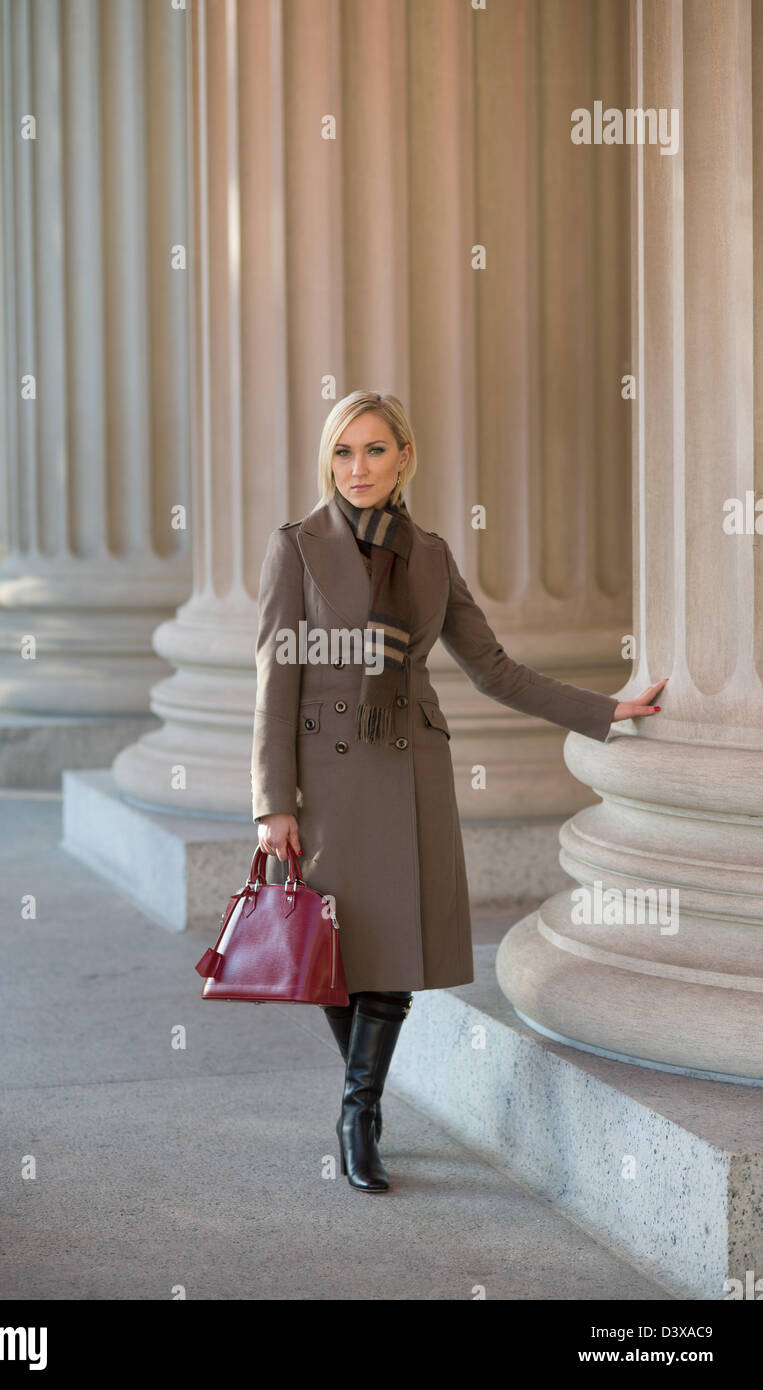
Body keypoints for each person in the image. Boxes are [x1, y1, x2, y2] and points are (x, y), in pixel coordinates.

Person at [250, 390, 666, 1193]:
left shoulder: (431, 555)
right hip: (328, 778)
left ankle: (356, 1114)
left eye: (374, 450)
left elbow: (494, 669)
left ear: (404, 456)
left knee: (392, 951)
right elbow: (274, 679)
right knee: (337, 953)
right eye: (343, 452)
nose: (357, 468)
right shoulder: (295, 548)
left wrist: (603, 710)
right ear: (327, 460)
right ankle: (361, 1103)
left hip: (408, 770)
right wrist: (275, 800)